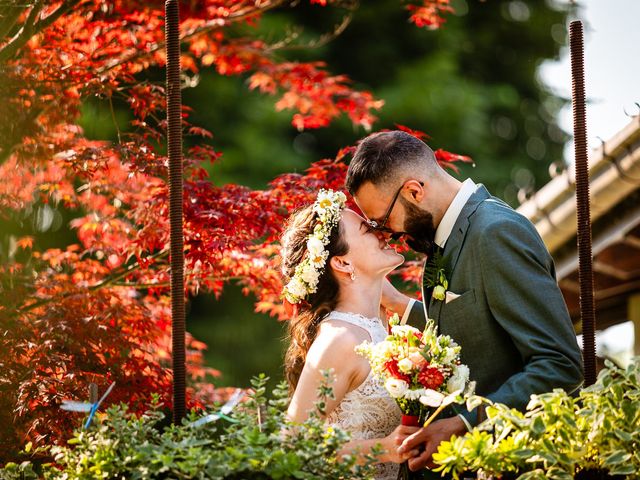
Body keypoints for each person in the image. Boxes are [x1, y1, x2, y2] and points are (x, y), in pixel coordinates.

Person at [345, 130, 583, 473]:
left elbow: (560, 364)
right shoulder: (446, 236)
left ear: (414, 191)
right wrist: (400, 305)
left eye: (383, 221)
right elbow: (472, 332)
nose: (388, 234)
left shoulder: (495, 233)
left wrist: (466, 423)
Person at [281, 189, 420, 480]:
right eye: (366, 229)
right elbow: (291, 446)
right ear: (342, 263)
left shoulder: (383, 326)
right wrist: (383, 449)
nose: (382, 232)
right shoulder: (340, 339)